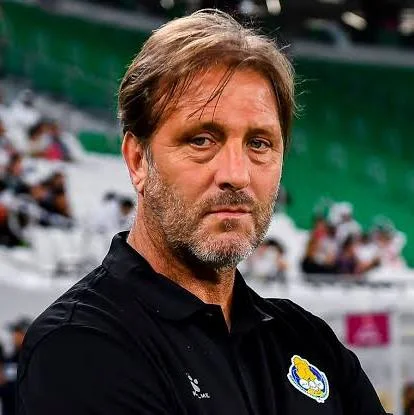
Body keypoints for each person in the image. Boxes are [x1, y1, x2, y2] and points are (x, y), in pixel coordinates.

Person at [17, 10, 387, 415]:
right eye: (202, 140)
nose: (236, 175)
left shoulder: (311, 343)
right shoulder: (79, 347)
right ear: (138, 160)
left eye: (259, 144)